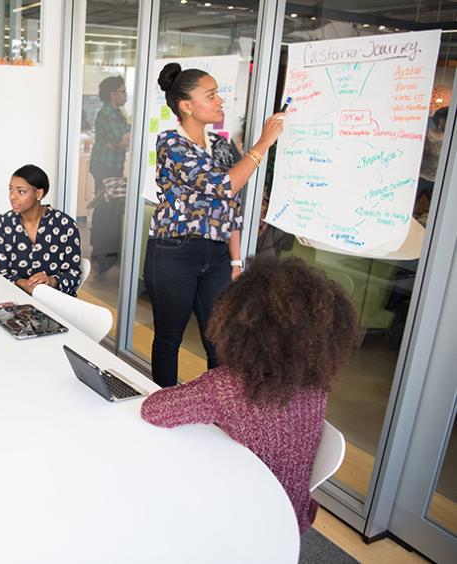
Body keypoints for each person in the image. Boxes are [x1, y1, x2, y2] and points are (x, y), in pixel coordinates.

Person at [140, 257, 359, 534]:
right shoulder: (316, 389)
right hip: (290, 521)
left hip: (238, 523)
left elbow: (154, 410)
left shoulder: (226, 386)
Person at [145, 63, 286, 387]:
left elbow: (230, 207)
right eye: (210, 95)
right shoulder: (171, 144)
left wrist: (235, 261)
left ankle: (218, 410)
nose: (219, 101)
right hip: (173, 253)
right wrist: (263, 143)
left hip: (218, 255)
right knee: (169, 339)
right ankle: (163, 404)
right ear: (186, 106)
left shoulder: (221, 146)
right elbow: (223, 186)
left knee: (219, 342)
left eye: (218, 94)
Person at [0, 164, 82, 296]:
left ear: (39, 193)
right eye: (11, 190)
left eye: (21, 191)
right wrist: (23, 284)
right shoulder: (1, 225)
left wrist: (51, 281)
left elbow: (74, 274)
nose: (12, 196)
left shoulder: (65, 225)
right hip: (14, 299)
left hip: (56, 302)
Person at [89, 75, 130, 274]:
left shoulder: (117, 113)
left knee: (105, 206)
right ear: (113, 94)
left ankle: (101, 251)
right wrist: (120, 141)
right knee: (105, 206)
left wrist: (119, 141)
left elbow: (122, 139)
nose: (126, 95)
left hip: (112, 164)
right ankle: (102, 252)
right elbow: (122, 139)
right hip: (104, 166)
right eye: (122, 91)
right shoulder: (107, 114)